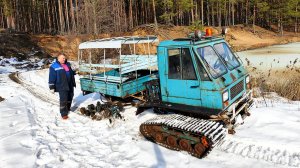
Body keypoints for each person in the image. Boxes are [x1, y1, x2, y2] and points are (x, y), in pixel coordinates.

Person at [48, 53, 76, 120]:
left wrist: (74, 70)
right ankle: (63, 113)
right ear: (58, 58)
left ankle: (68, 108)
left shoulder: (68, 64)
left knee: (70, 97)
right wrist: (51, 86)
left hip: (70, 84)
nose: (64, 59)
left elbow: (72, 73)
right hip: (61, 85)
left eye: (64, 58)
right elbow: (51, 77)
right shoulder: (54, 66)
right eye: (62, 58)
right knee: (63, 99)